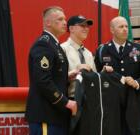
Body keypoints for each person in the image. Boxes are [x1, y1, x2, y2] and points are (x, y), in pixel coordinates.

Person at [95, 16, 140, 135]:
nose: (125, 29)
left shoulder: (138, 48)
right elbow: (96, 77)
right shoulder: (102, 50)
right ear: (112, 30)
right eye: (121, 26)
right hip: (112, 107)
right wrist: (102, 72)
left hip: (135, 105)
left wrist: (137, 83)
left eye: (126, 26)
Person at [25, 6, 77, 135]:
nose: (65, 22)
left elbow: (52, 74)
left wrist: (67, 76)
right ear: (48, 22)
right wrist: (66, 102)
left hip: (55, 115)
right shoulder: (44, 44)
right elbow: (42, 80)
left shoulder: (54, 45)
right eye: (60, 19)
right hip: (46, 115)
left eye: (65, 19)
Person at [61, 15, 97, 99]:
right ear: (71, 29)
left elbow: (94, 77)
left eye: (87, 26)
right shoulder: (62, 49)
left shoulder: (88, 53)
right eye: (82, 25)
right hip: (70, 99)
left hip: (90, 99)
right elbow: (57, 78)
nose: (86, 28)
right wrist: (74, 72)